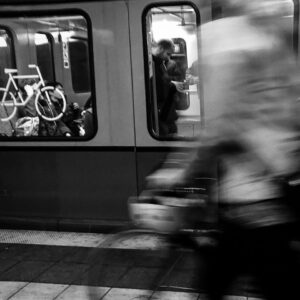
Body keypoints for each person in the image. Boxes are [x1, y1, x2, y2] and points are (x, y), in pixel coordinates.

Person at [146, 1, 300, 299]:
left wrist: (176, 175)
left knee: (214, 285)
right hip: (277, 190)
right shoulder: (271, 38)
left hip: (252, 202)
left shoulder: (225, 41)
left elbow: (218, 131)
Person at [151, 39, 184, 136]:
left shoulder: (160, 63)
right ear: (160, 48)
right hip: (162, 110)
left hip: (167, 110)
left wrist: (172, 83)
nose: (168, 57)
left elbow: (162, 81)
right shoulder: (154, 64)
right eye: (168, 54)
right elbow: (158, 87)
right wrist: (172, 84)